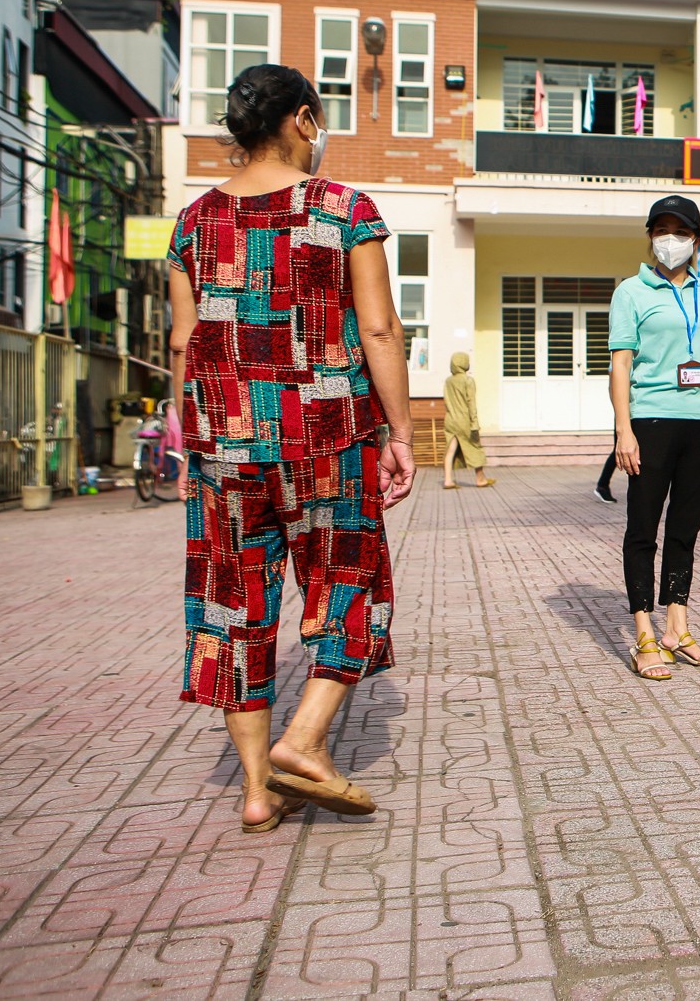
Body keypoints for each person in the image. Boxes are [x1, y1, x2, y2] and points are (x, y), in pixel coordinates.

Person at [167, 64, 413, 832]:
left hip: (223, 443)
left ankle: (254, 790)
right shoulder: (343, 210)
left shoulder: (192, 222)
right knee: (349, 578)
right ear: (303, 119)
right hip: (325, 437)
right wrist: (401, 431)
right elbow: (378, 329)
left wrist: (187, 449)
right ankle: (304, 738)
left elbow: (183, 340)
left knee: (232, 606)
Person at [610, 194, 700, 681]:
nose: (671, 240)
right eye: (662, 230)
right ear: (650, 236)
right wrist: (623, 430)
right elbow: (621, 364)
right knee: (643, 529)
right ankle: (645, 635)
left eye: (681, 232)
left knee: (685, 531)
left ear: (697, 241)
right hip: (650, 422)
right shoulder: (631, 291)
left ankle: (678, 630)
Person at [441, 352, 494, 489]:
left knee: (450, 450)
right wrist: (474, 422)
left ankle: (448, 480)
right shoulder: (468, 380)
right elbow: (471, 403)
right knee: (475, 448)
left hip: (450, 419)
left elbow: (446, 401)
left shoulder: (448, 381)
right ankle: (480, 479)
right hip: (464, 420)